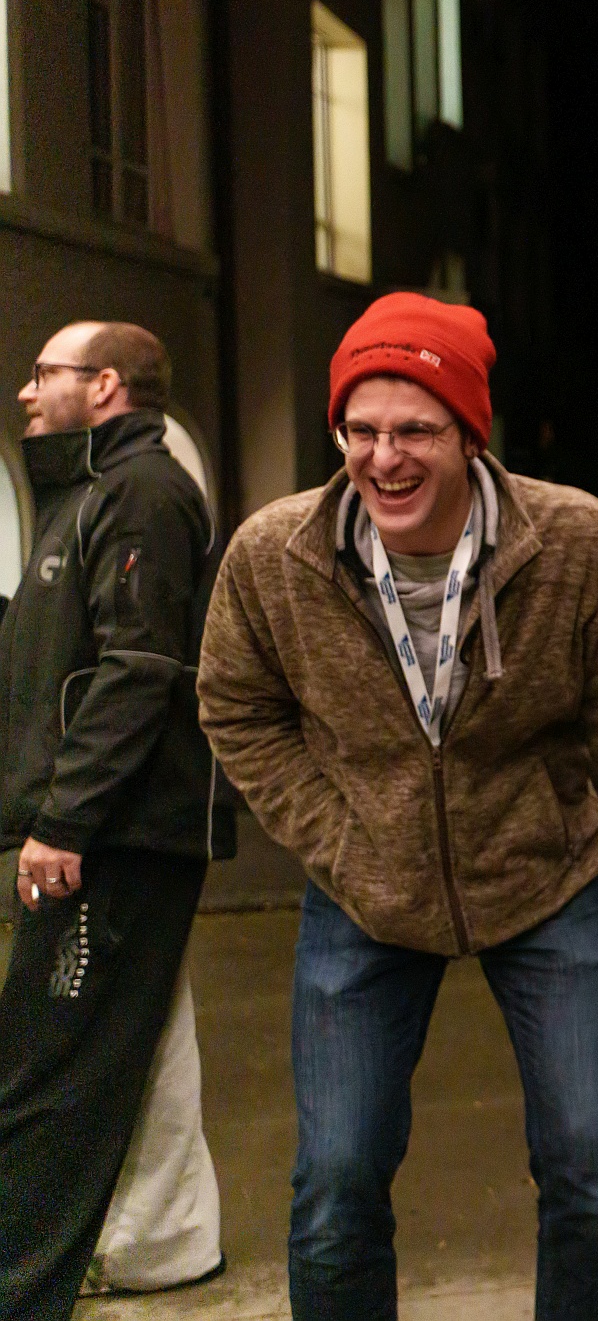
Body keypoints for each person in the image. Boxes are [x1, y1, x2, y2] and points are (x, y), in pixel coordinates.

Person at [196, 293, 598, 1321]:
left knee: (587, 1157)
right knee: (335, 1180)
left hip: (544, 878)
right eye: (360, 430)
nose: (384, 458)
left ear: (469, 435)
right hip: (364, 892)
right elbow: (234, 709)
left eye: (415, 429)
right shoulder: (275, 556)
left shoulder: (574, 542)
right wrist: (339, 838)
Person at [0, 322, 232, 1318]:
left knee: (49, 1073)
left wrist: (65, 822)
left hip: (116, 837)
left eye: (42, 374)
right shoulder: (84, 494)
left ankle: (20, 1288)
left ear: (103, 386)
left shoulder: (140, 493)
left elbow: (139, 671)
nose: (24, 392)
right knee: (121, 1050)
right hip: (95, 829)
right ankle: (160, 1245)